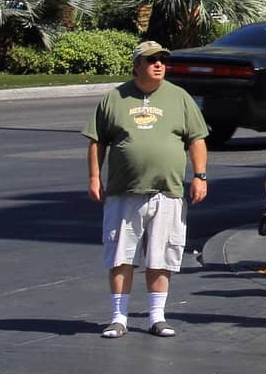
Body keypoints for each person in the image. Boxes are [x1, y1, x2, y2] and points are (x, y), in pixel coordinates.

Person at [84, 41, 209, 339]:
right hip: (124, 191)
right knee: (120, 254)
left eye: (163, 60)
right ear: (137, 65)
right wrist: (93, 177)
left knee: (162, 255)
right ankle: (118, 317)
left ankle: (157, 317)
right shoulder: (115, 98)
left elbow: (197, 139)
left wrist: (201, 176)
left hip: (168, 191)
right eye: (151, 60)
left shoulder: (179, 98)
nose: (159, 65)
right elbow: (97, 140)